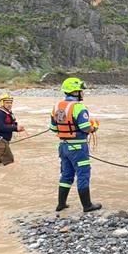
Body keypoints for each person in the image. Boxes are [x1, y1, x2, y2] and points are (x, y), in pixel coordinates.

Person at [50, 78, 101, 212]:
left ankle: (61, 204)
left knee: (66, 175)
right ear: (75, 92)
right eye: (81, 91)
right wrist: (94, 128)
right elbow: (85, 127)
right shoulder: (78, 107)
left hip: (63, 146)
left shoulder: (56, 106)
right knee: (83, 174)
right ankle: (87, 205)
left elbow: (53, 129)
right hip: (78, 147)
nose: (82, 93)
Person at [0, 93, 24, 165]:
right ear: (2, 103)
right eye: (7, 102)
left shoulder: (8, 112)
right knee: (9, 161)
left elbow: (10, 123)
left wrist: (17, 127)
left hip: (2, 140)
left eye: (11, 102)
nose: (9, 104)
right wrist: (15, 128)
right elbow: (1, 127)